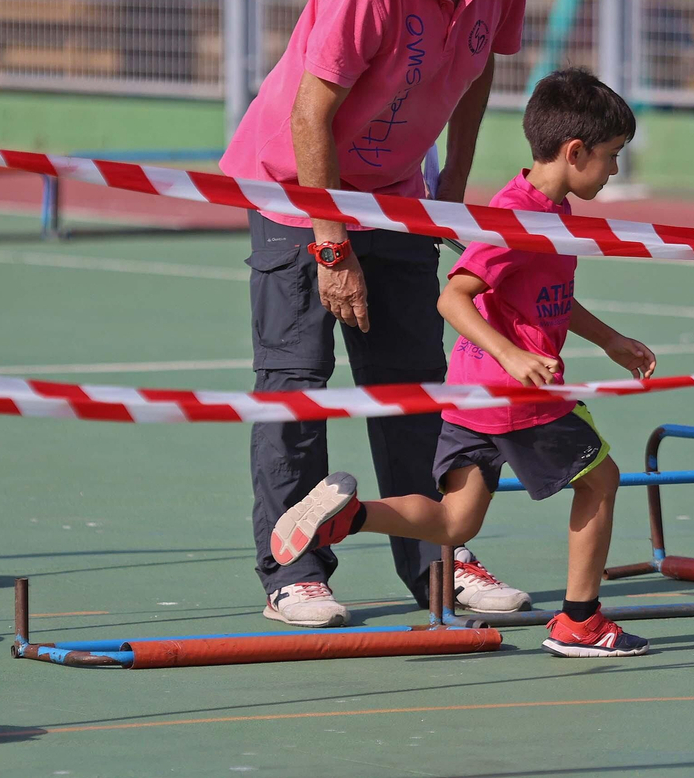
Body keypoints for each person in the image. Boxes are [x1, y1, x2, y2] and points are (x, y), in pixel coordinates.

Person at [219, 0, 531, 627]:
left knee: (412, 381)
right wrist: (330, 242)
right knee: (296, 381)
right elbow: (310, 110)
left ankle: (435, 559)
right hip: (297, 185)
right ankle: (293, 570)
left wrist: (453, 181)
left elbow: (480, 59)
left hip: (396, 190)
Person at [269, 69, 657, 657]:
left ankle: (347, 519)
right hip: (513, 395)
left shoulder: (551, 214)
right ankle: (580, 622)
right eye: (610, 156)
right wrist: (512, 354)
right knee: (601, 480)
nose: (614, 170)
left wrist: (610, 340)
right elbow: (454, 295)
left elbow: (545, 297)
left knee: (456, 523)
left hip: (472, 394)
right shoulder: (515, 217)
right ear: (574, 151)